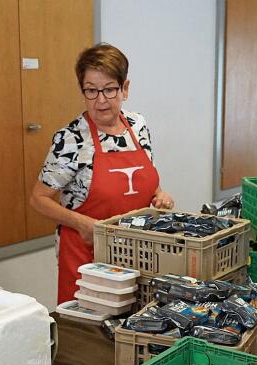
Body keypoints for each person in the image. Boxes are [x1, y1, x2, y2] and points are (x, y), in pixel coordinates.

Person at [29, 43, 173, 304]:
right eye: (91, 91)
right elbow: (39, 198)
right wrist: (81, 223)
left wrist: (159, 196)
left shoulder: (137, 126)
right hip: (87, 259)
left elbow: (144, 182)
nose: (101, 100)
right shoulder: (71, 138)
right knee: (89, 337)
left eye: (109, 89)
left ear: (125, 88)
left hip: (137, 253)